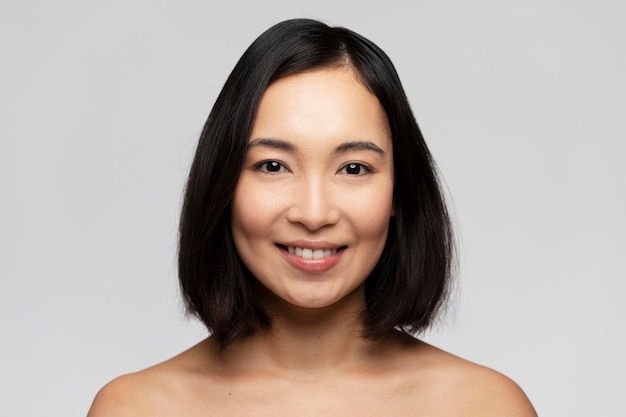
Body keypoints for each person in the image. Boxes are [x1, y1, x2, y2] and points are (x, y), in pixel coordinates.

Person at [87, 18, 537, 416]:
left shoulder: (486, 406)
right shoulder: (136, 408)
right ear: (223, 183)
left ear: (400, 190)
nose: (314, 214)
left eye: (354, 168)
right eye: (273, 166)